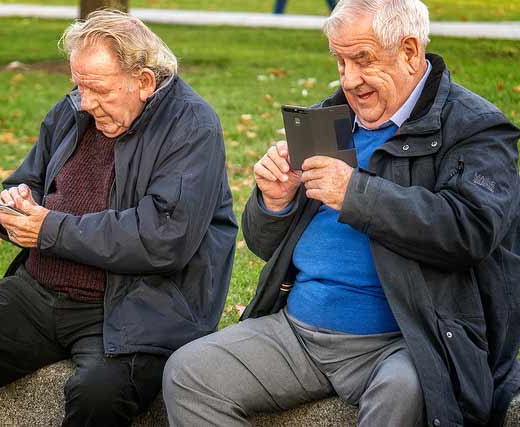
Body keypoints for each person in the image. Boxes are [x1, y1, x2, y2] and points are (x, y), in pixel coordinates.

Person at [163, 0, 520, 426]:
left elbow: (470, 231)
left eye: (362, 60)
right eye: (340, 61)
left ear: (409, 51)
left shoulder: (474, 128)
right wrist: (273, 204)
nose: (349, 79)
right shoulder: (328, 119)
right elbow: (262, 245)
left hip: (404, 340)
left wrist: (356, 194)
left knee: (406, 393)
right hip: (298, 332)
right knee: (189, 372)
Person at [0, 10, 237, 427]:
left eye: (97, 89)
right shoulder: (73, 110)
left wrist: (48, 228)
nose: (85, 102)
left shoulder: (191, 126)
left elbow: (162, 238)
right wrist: (15, 205)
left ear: (144, 82)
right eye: (78, 85)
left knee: (98, 394)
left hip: (135, 305)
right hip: (41, 290)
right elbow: (29, 179)